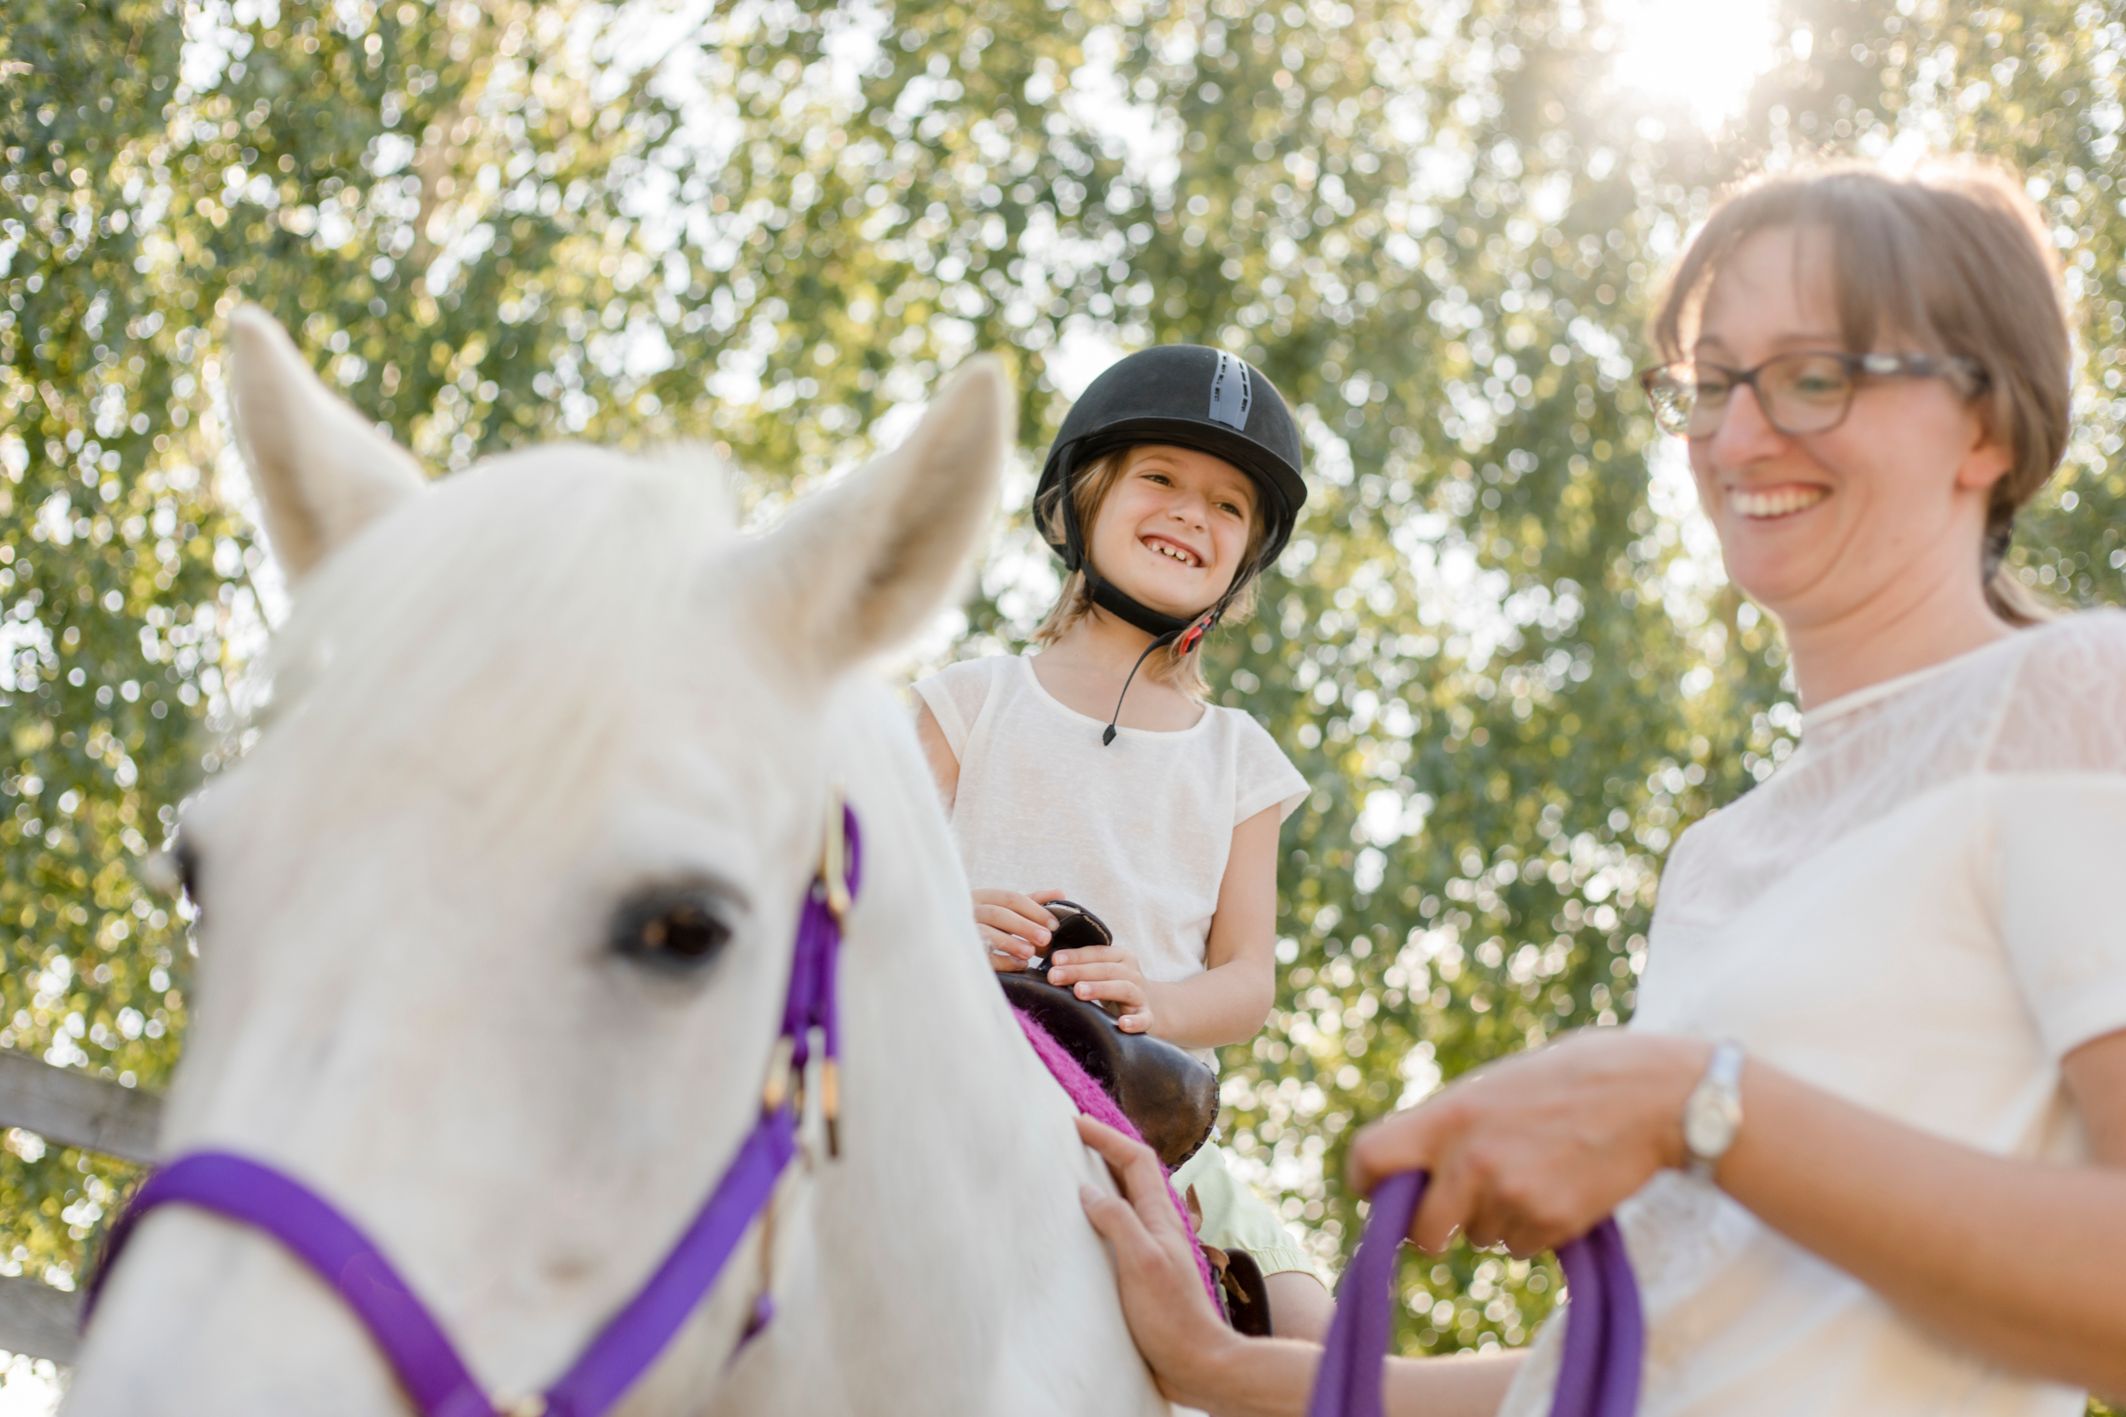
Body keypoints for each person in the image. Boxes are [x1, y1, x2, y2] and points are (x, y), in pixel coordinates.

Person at [1076, 157, 2126, 1414]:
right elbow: (1662, 1357)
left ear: (1986, 425)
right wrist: (1219, 1364)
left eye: (1812, 376)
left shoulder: (2071, 699)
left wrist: (1686, 1104)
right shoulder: (1718, 860)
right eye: (1707, 382)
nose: (1735, 437)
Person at [913, 345, 1336, 1337]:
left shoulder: (1240, 758)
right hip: (952, 1067)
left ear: (1245, 555)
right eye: (1160, 478)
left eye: (1227, 504)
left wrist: (1156, 998)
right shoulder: (970, 702)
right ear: (1084, 498)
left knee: (1316, 1338)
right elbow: (855, 879)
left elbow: (1247, 981)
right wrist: (945, 920)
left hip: (1147, 1118)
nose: (1192, 513)